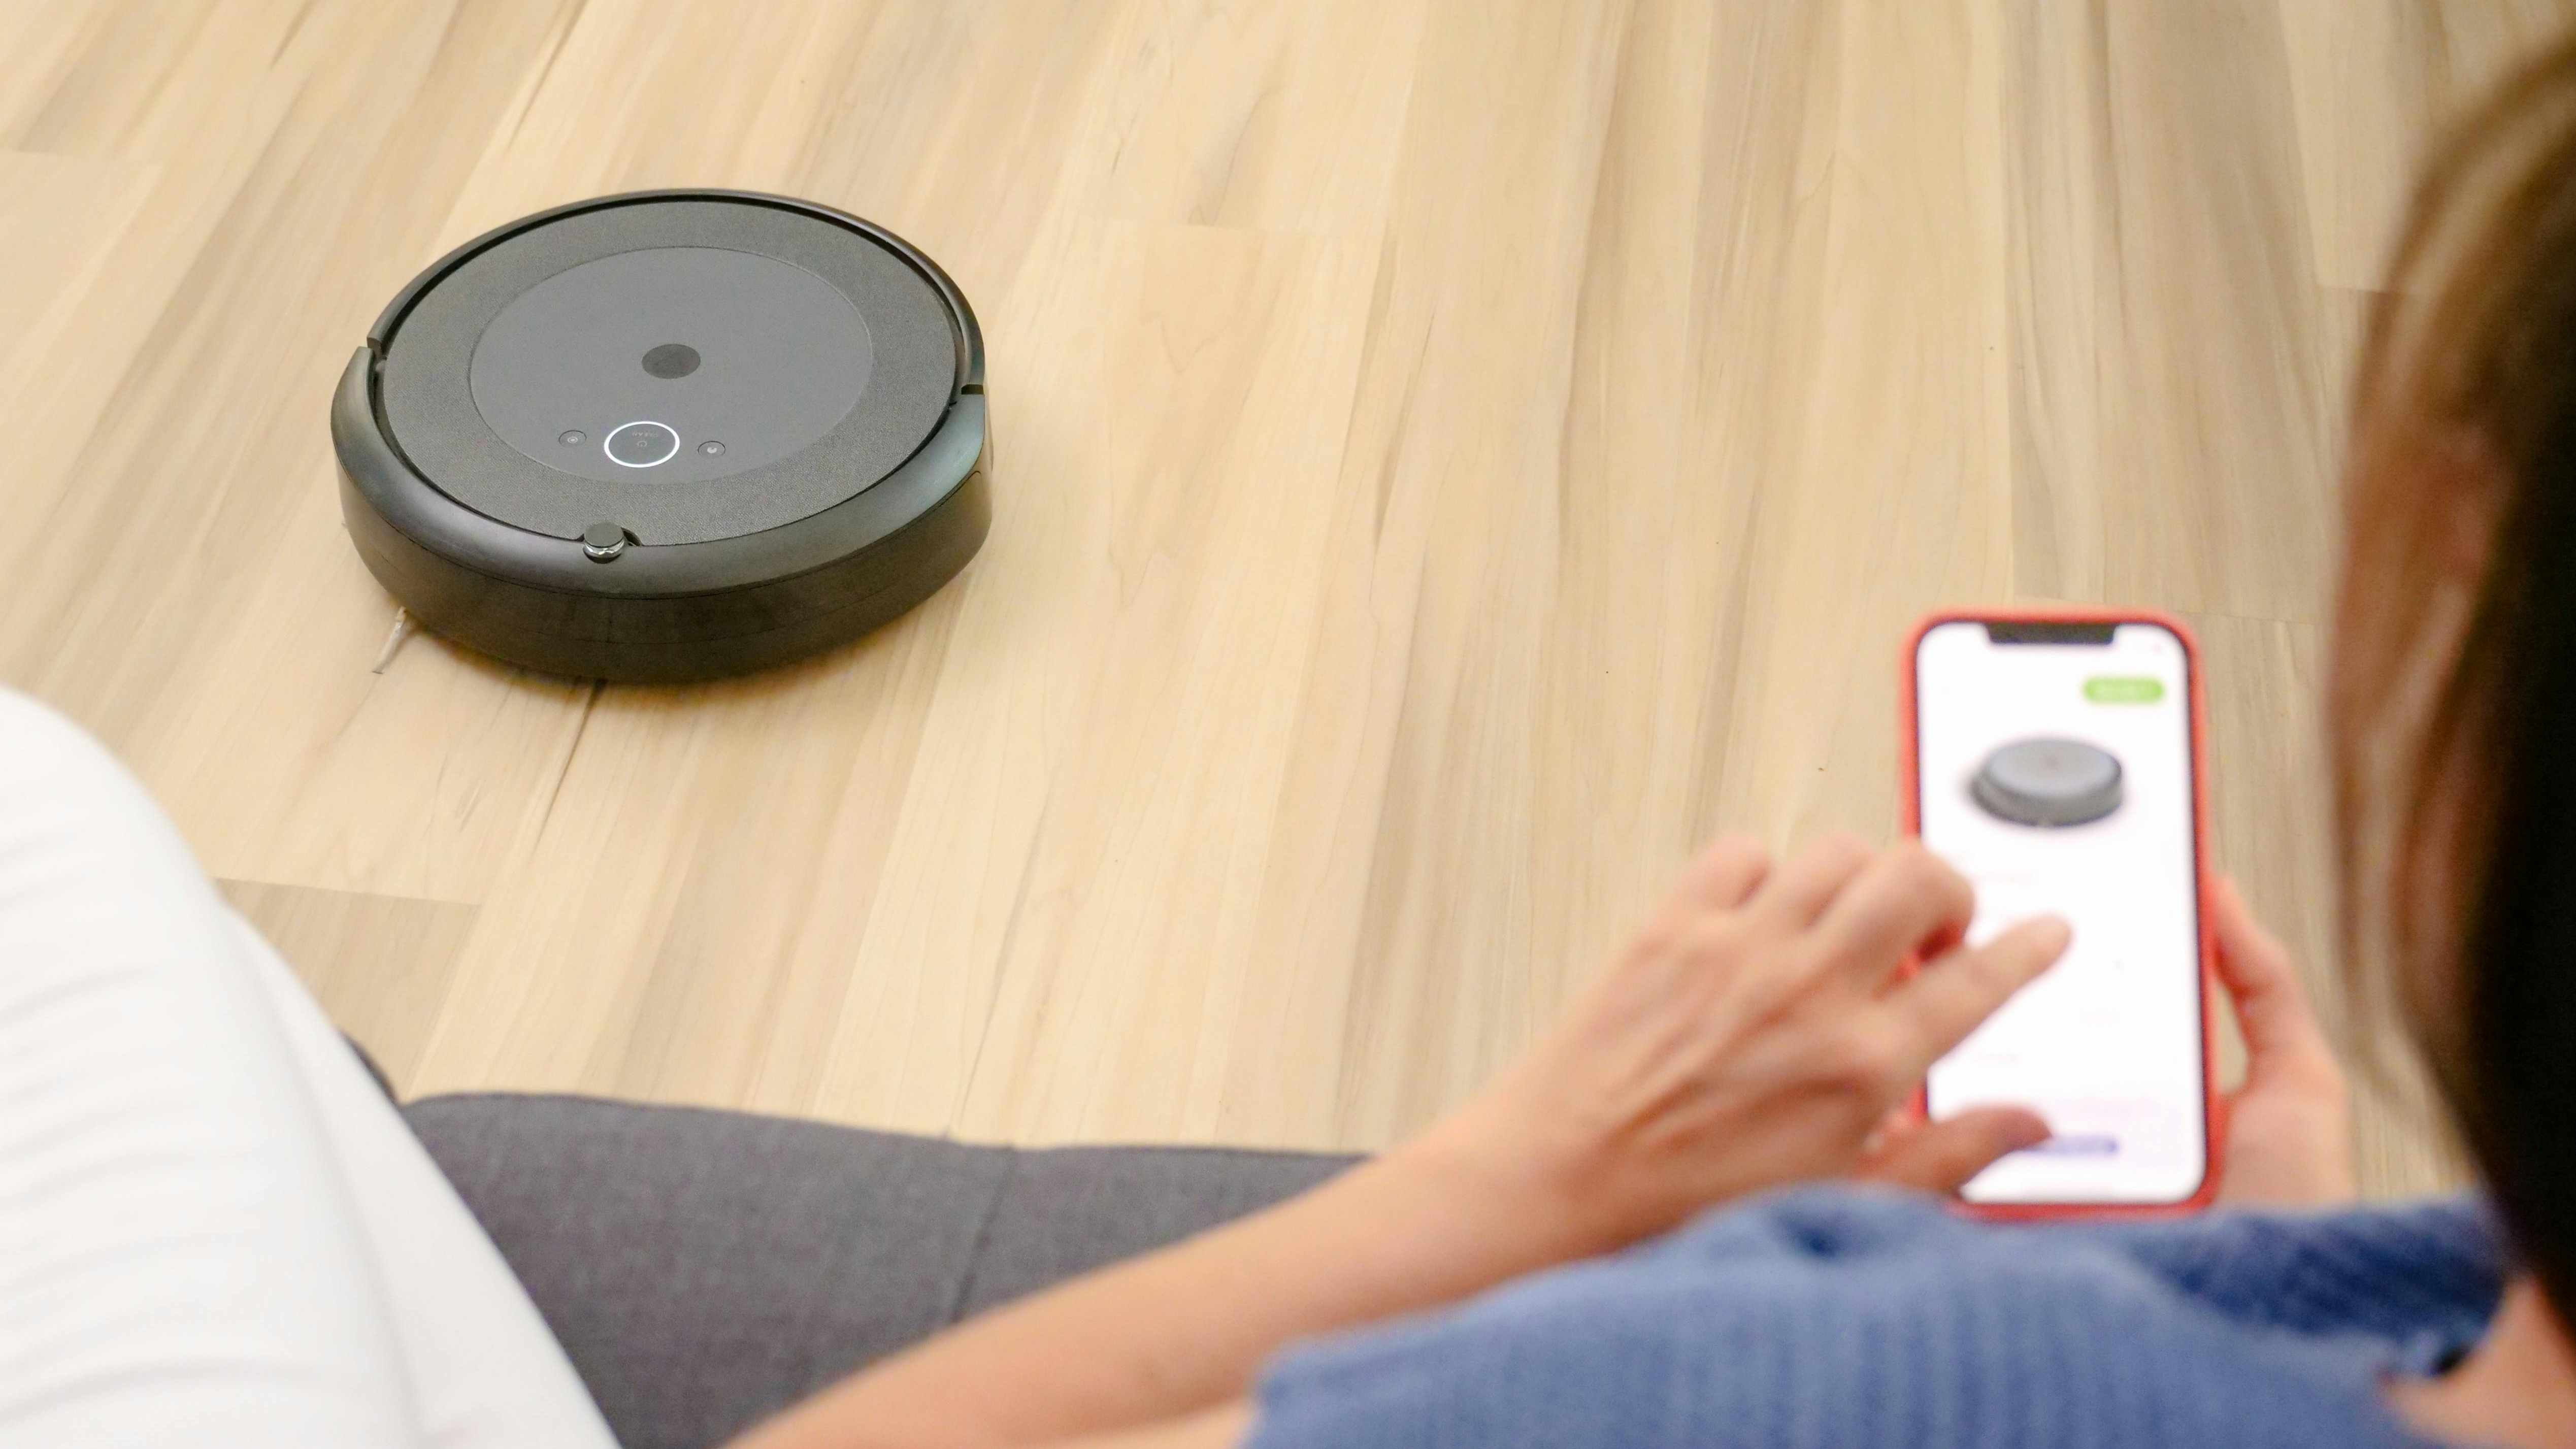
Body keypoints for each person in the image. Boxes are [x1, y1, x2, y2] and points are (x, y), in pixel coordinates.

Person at [7, 30, 2576, 1449]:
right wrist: (2268, 1270)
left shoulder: (1869, 1378)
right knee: (262, 1044)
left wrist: (1530, 1175)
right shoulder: (2378, 1311)